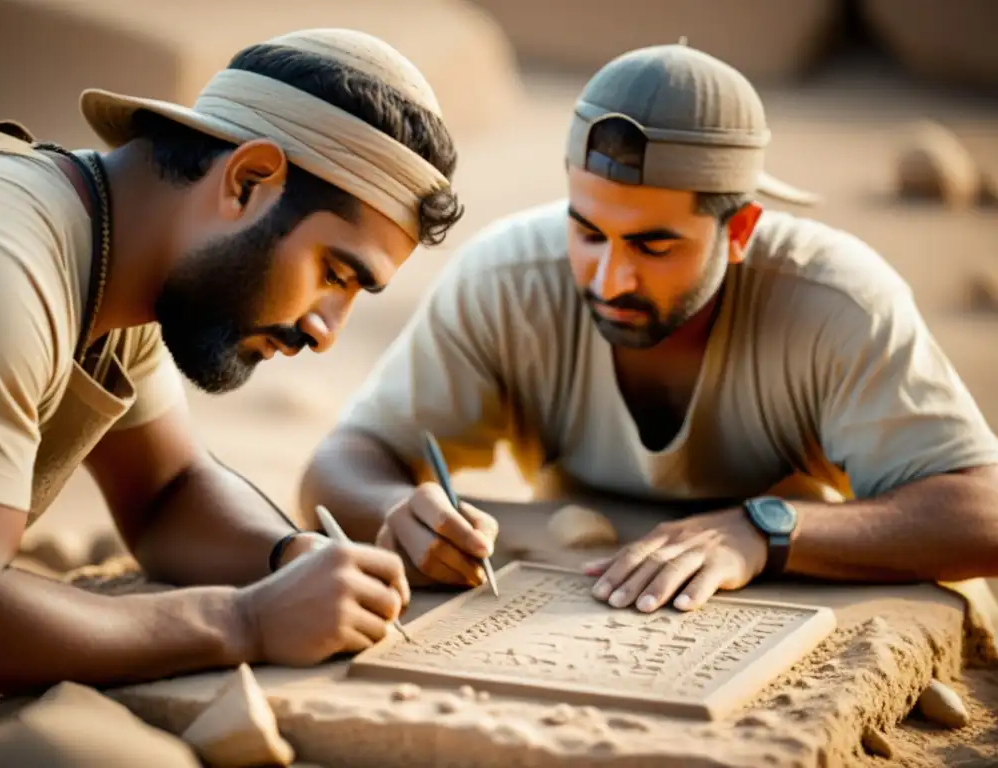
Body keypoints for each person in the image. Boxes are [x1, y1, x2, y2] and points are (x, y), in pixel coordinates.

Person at [301, 42, 998, 615]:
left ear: (740, 230)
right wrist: (398, 508)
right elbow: (338, 470)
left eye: (654, 246)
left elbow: (983, 513)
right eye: (587, 231)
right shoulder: (506, 278)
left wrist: (763, 530)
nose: (609, 279)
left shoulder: (835, 299)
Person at [0, 27, 464, 699]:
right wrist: (245, 620)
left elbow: (168, 493)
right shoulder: (0, 268)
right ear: (248, 180)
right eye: (335, 274)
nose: (325, 332)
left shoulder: (118, 260)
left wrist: (291, 557)